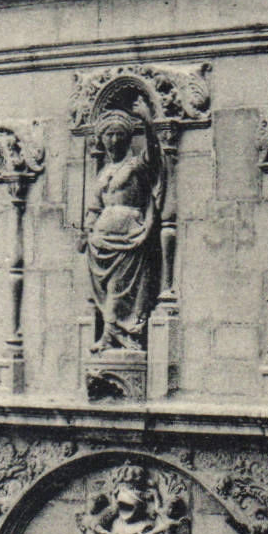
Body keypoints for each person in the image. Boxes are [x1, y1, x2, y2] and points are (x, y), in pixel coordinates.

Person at [84, 98, 164, 351]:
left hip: (129, 235)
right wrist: (88, 229)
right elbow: (94, 207)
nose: (114, 140)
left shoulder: (135, 164)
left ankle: (116, 335)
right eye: (109, 135)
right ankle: (112, 334)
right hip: (100, 241)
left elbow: (153, 154)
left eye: (119, 134)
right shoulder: (103, 172)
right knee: (109, 290)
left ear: (128, 138)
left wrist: (148, 124)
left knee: (120, 289)